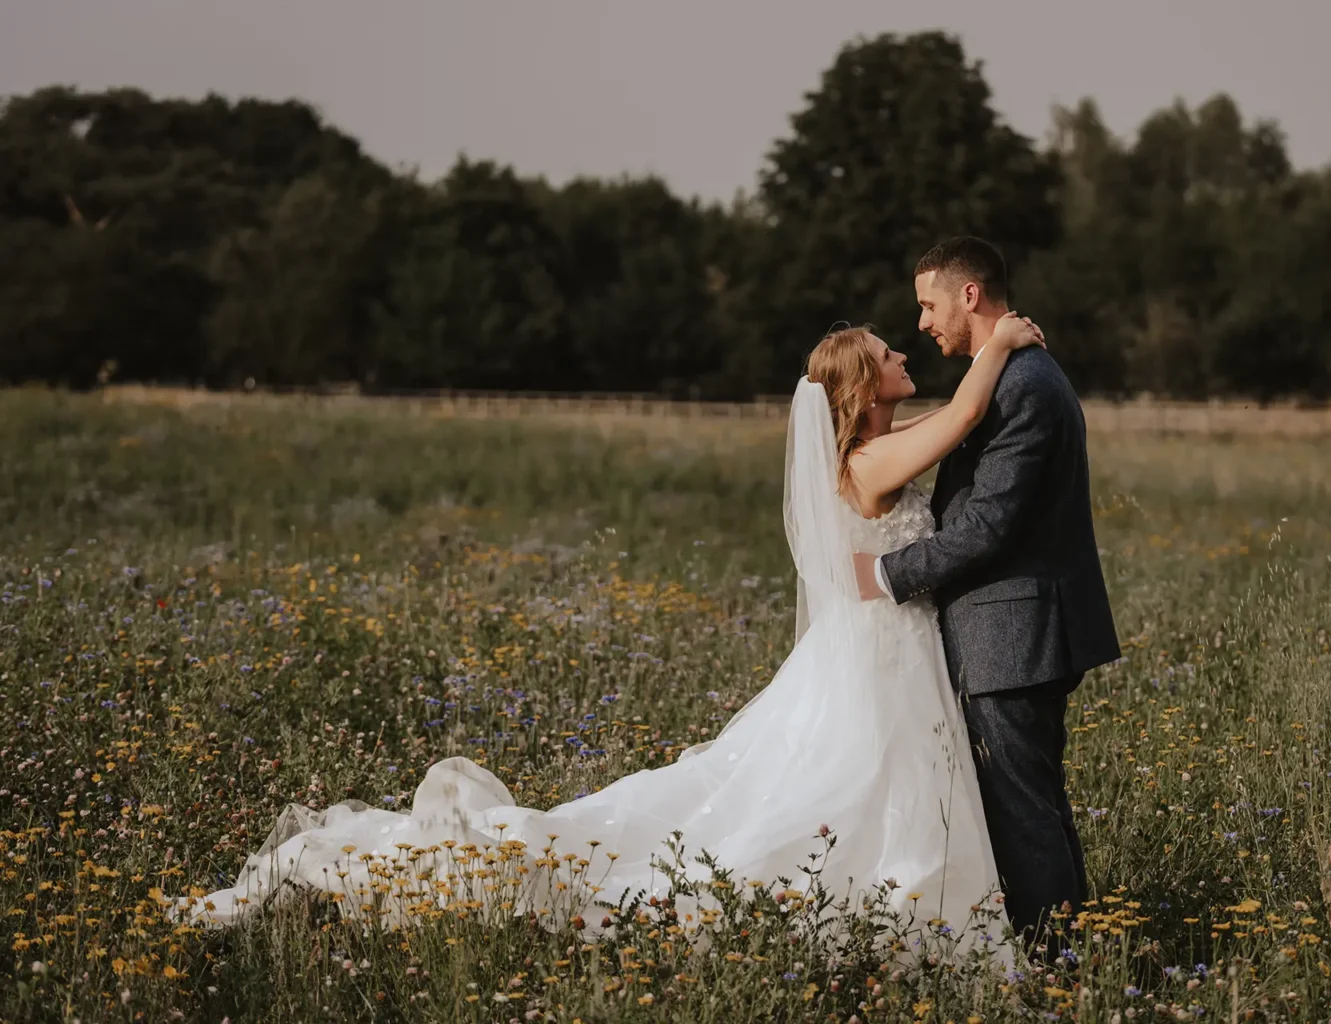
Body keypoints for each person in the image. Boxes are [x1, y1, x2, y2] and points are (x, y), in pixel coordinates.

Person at [173, 302, 1048, 949]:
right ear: (866, 386)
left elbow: (948, 426)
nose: (904, 349)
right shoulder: (871, 457)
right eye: (888, 353)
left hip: (883, 650)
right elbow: (966, 417)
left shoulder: (876, 449)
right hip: (878, 660)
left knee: (851, 787)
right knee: (851, 789)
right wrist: (1001, 340)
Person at [853, 236, 1121, 935]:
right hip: (1012, 633)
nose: (920, 323)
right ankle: (1068, 950)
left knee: (1023, 811)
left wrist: (884, 573)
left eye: (928, 304)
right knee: (1036, 804)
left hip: (1014, 636)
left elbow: (987, 529)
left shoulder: (1021, 387)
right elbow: (953, 431)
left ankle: (1052, 958)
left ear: (969, 296)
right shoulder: (1005, 378)